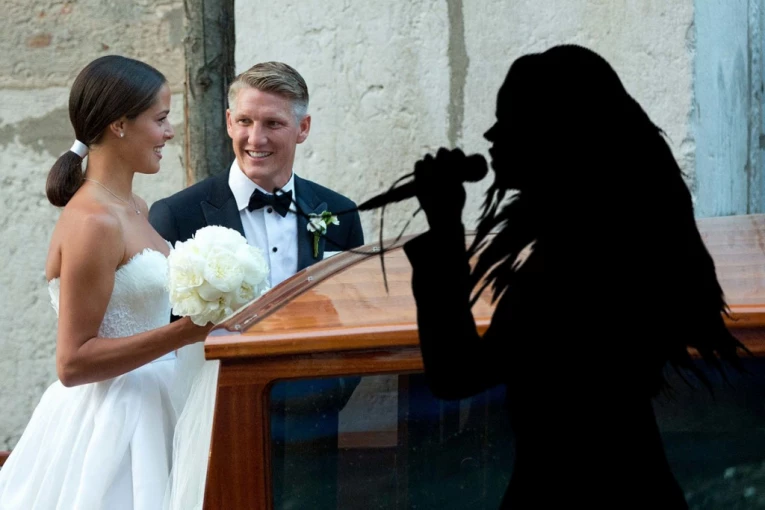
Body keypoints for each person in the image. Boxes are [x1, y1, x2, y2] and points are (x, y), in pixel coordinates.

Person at [400, 44, 747, 508]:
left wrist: (445, 224)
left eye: (509, 120)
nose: (491, 135)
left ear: (554, 135)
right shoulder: (612, 241)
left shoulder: (574, 267)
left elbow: (458, 373)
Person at [0, 55, 213, 509]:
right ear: (119, 125)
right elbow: (73, 362)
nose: (169, 133)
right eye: (160, 119)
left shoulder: (135, 205)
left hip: (162, 401)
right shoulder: (94, 221)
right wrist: (185, 332)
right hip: (114, 425)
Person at [149, 61, 364, 509]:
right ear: (229, 122)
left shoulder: (339, 214)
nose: (256, 138)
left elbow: (355, 317)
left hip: (315, 427)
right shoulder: (177, 215)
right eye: (245, 121)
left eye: (273, 124)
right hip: (215, 422)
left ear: (303, 128)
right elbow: (161, 337)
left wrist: (330, 393)